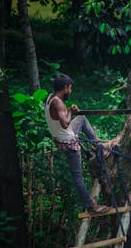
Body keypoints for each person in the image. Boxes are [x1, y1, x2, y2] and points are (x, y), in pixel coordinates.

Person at [44, 74, 111, 214]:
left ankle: (97, 145)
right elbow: (65, 123)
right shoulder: (58, 102)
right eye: (70, 88)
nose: (71, 91)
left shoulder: (50, 98)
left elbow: (60, 119)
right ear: (65, 87)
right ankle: (91, 206)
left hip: (61, 138)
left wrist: (70, 111)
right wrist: (69, 111)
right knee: (77, 176)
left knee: (81, 118)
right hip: (68, 143)